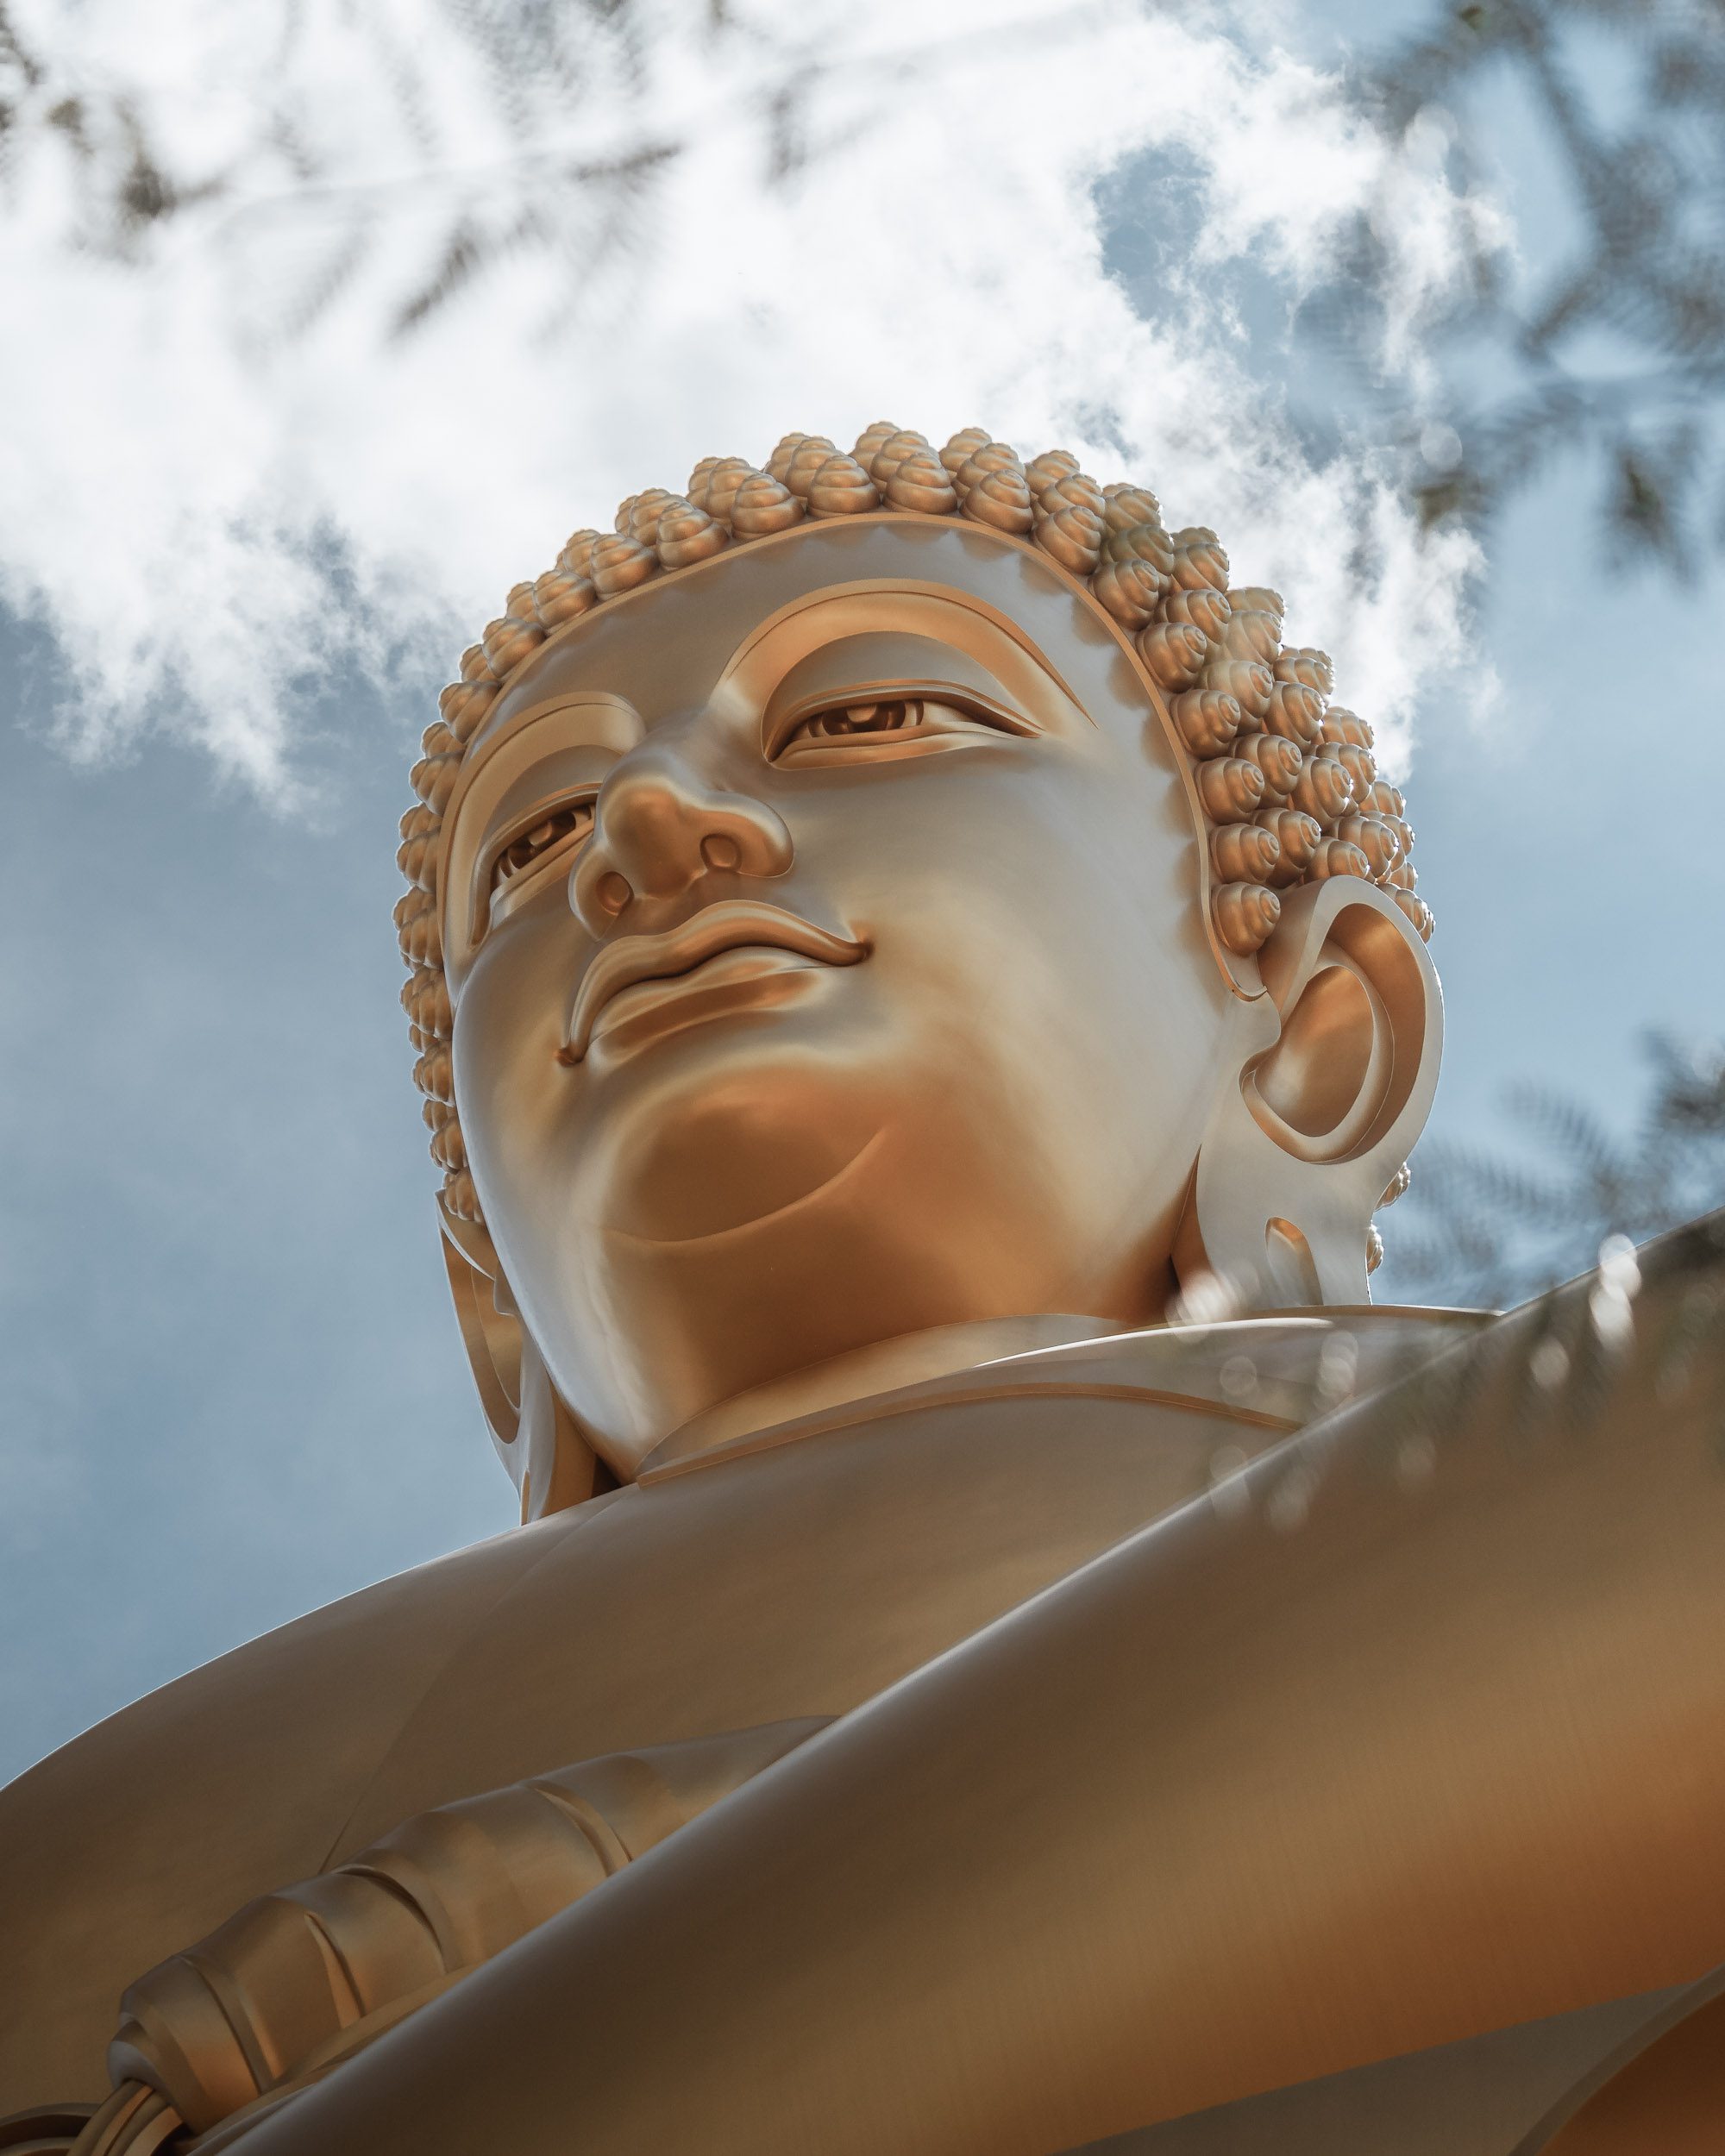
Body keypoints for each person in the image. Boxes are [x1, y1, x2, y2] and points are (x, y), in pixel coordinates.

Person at [2, 425, 1720, 2156]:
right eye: (530, 844)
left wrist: (726, 1898)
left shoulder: (1501, 1446)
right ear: (486, 1293)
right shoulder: (92, 1818)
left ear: (1309, 1031)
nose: (647, 831)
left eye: (865, 716)